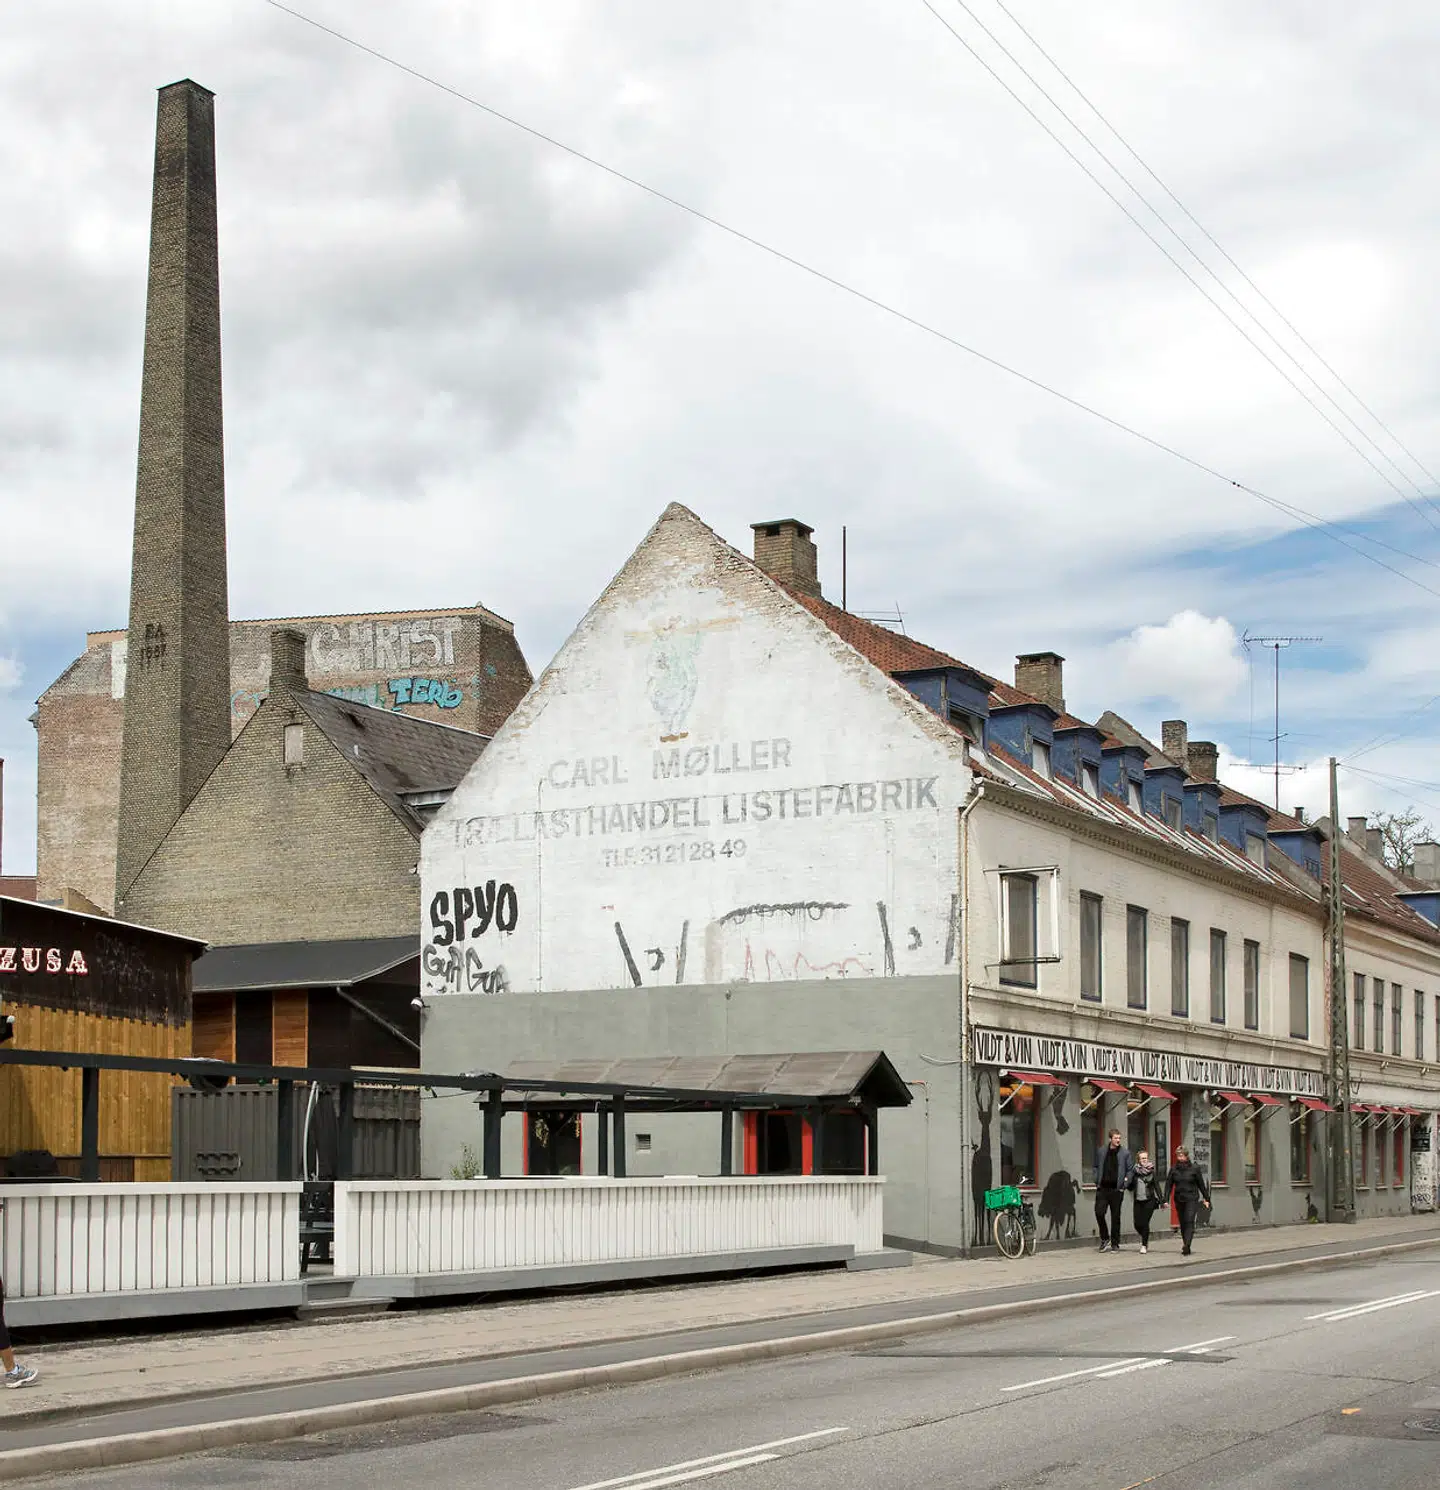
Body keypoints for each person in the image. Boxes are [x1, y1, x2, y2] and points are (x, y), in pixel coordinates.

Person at [1161, 1144, 1212, 1256]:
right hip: (1179, 1199)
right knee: (1183, 1223)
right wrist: (1165, 1200)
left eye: (1182, 1155)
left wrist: (1207, 1198)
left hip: (1192, 1198)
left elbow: (1201, 1185)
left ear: (1186, 1156)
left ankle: (1187, 1245)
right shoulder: (1174, 1169)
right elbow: (1168, 1185)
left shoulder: (1194, 1168)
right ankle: (1186, 1243)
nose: (1180, 1158)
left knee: (1189, 1220)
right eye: (1178, 1155)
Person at [1092, 1128, 1132, 1253]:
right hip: (1103, 1188)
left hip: (1116, 1189)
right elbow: (1095, 1166)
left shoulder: (1125, 1153)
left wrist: (1124, 1185)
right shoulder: (1101, 1151)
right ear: (1110, 1139)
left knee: (1115, 1217)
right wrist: (1096, 1179)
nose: (1118, 1140)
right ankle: (1105, 1238)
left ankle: (1115, 1243)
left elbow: (1130, 1170)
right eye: (1116, 1138)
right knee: (1099, 1212)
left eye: (1119, 1138)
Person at [1127, 1148, 1162, 1254]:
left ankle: (1144, 1245)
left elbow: (1157, 1187)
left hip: (1149, 1201)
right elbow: (1130, 1188)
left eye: (1146, 1158)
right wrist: (1127, 1182)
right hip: (1138, 1201)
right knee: (1137, 1224)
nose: (1144, 1160)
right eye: (1142, 1158)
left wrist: (1162, 1200)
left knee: (1145, 1222)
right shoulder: (1135, 1172)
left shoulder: (1151, 1171)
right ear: (1138, 1160)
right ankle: (1145, 1236)